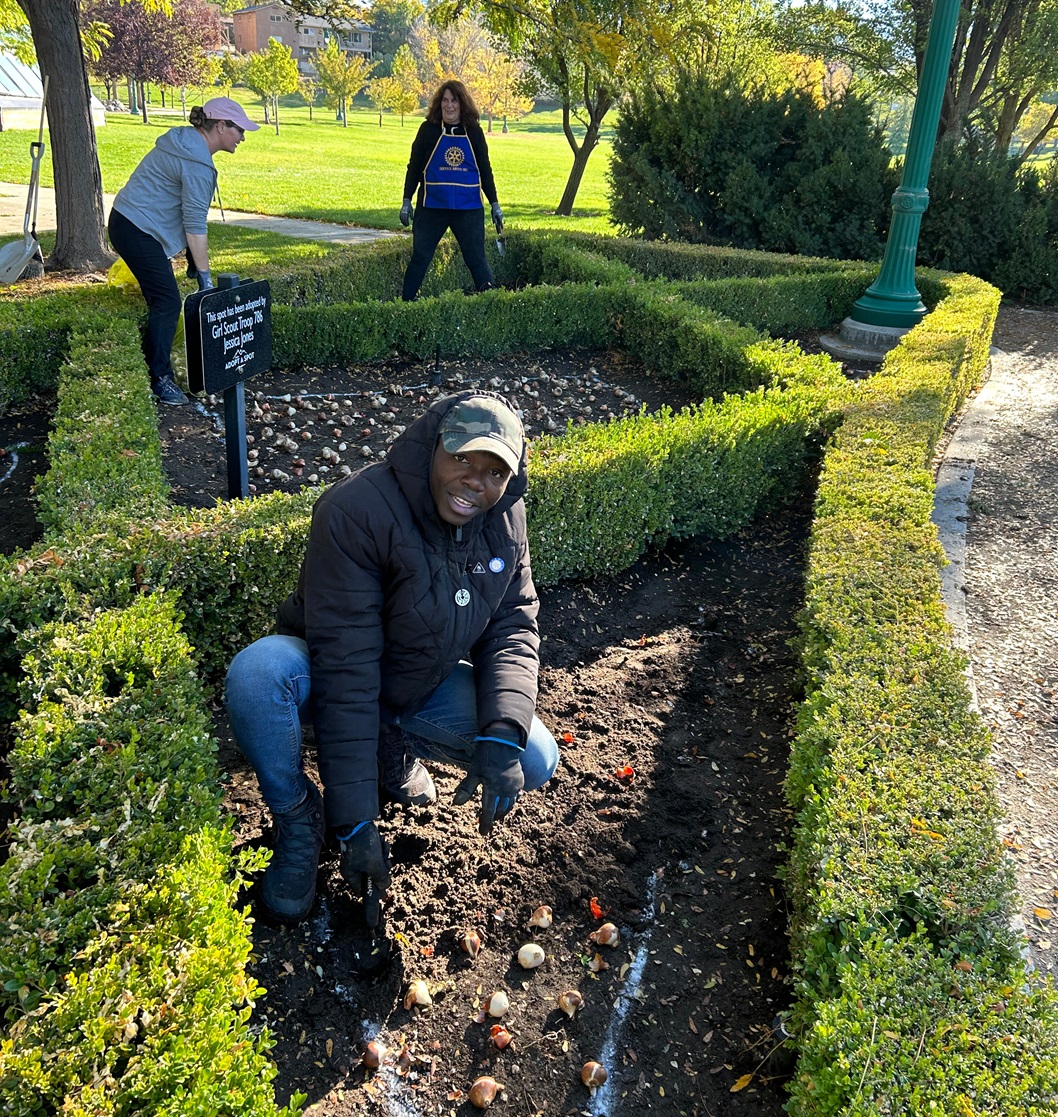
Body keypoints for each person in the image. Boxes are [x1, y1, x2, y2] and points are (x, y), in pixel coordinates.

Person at [224, 391, 558, 926]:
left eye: (495, 471)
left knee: (534, 755)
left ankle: (392, 747)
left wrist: (501, 734)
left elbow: (513, 626)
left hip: (414, 684)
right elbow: (348, 671)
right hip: (327, 671)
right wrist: (353, 822)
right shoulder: (356, 511)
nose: (476, 480)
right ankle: (298, 818)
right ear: (432, 449)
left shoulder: (506, 519)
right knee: (258, 676)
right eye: (463, 458)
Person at [107, 97, 259, 406]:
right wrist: (205, 279)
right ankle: (159, 379)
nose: (242, 137)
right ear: (220, 126)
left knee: (162, 294)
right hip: (137, 229)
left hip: (127, 220)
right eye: (239, 130)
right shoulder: (197, 164)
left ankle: (157, 371)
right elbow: (194, 225)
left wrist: (192, 260)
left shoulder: (186, 142)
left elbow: (181, 211)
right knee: (166, 300)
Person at [399, 80, 504, 302]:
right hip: (432, 207)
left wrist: (495, 203)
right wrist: (407, 200)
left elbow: (484, 169)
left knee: (476, 260)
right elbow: (414, 167)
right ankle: (405, 305)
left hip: (468, 209)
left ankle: (493, 307)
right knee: (420, 258)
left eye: (454, 101)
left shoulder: (474, 132)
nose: (449, 106)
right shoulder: (427, 130)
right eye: (445, 100)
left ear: (462, 104)